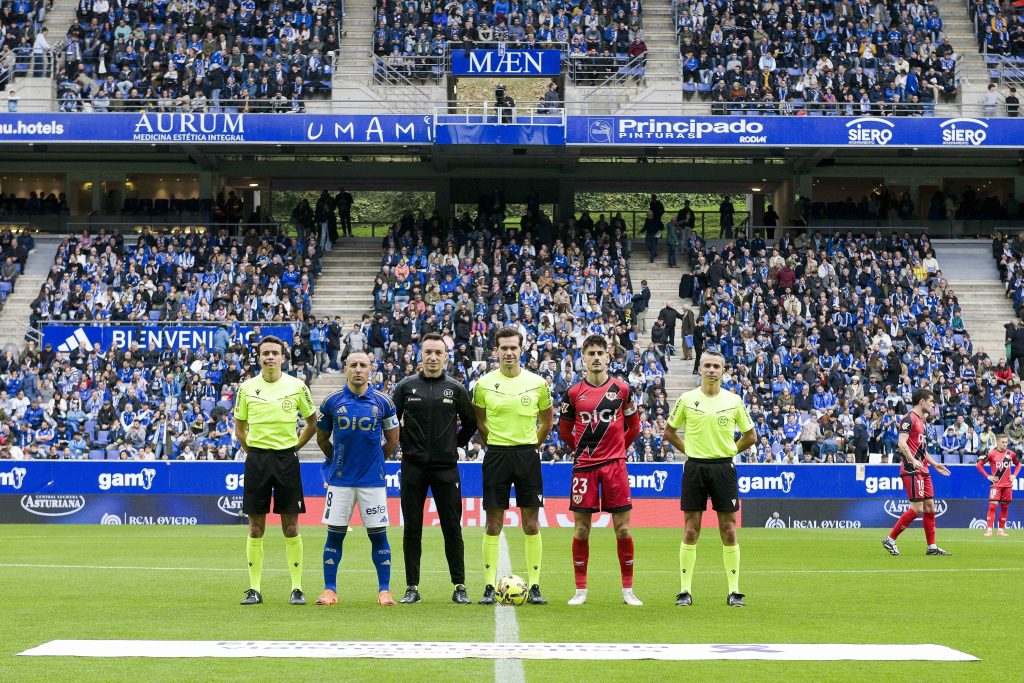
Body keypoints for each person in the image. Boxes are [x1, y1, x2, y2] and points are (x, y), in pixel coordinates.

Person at [663, 349, 756, 607]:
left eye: (716, 366)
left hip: (723, 468)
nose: (712, 370)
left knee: (729, 530)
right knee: (690, 530)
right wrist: (689, 450)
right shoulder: (686, 399)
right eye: (707, 366)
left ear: (723, 371)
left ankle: (734, 591)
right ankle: (684, 591)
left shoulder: (734, 400)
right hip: (695, 467)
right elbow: (669, 432)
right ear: (700, 369)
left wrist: (730, 451)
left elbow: (751, 436)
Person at [391, 333, 477, 604]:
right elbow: (391, 421)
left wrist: (455, 444)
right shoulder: (406, 387)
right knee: (412, 528)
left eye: (438, 353)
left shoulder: (456, 388)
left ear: (445, 356)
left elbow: (470, 423)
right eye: (428, 352)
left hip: (446, 469)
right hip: (412, 467)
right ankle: (412, 587)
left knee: (452, 528)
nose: (432, 357)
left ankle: (459, 586)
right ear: (421, 355)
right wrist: (404, 443)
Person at [233, 335, 318, 606]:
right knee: (255, 528)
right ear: (259, 357)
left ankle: (297, 588)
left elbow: (312, 422)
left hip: (286, 460)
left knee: (291, 527)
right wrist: (253, 451)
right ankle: (254, 589)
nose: (270, 357)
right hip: (257, 460)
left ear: (283, 357)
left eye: (274, 353)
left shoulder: (297, 386)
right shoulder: (247, 388)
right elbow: (239, 428)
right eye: (265, 353)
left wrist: (295, 447)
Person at [558, 335, 642, 606]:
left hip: (615, 466)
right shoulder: (573, 393)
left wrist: (618, 449)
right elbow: (564, 430)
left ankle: (628, 590)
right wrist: (582, 450)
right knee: (582, 529)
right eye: (591, 353)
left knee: (623, 530)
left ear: (608, 357)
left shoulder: (622, 389)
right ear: (583, 358)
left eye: (600, 353)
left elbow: (635, 427)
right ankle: (580, 590)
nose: (596, 357)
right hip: (584, 468)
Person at [473, 326, 554, 605]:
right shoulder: (483, 385)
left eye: (513, 348)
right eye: (504, 348)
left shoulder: (538, 383)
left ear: (522, 350)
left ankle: (535, 586)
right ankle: (488, 586)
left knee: (531, 524)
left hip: (527, 456)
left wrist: (532, 445)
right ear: (496, 351)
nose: (509, 352)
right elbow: (480, 421)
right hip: (496, 456)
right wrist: (495, 443)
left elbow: (547, 421)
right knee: (493, 524)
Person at [314, 350, 400, 606]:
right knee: (334, 536)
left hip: (372, 482)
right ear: (345, 369)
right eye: (353, 365)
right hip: (340, 481)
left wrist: (374, 462)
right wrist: (337, 461)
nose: (358, 369)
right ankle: (329, 590)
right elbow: (322, 438)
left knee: (378, 535)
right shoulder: (331, 401)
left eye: (363, 365)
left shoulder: (384, 402)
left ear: (371, 369)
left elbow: (393, 440)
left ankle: (384, 590)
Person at [883, 388, 952, 557]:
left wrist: (935, 465)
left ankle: (932, 546)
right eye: (931, 402)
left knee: (930, 506)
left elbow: (921, 450)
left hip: (923, 468)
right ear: (922, 401)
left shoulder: (922, 421)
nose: (933, 405)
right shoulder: (909, 418)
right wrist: (913, 461)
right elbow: (901, 443)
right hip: (911, 468)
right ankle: (890, 539)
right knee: (916, 508)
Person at [976, 433, 1020, 536]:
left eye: (1006, 442)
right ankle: (989, 530)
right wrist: (988, 476)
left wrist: (1014, 475)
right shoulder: (991, 454)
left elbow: (1018, 464)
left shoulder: (1011, 454)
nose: (1005, 444)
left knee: (1005, 507)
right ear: (998, 442)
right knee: (992, 506)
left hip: (1007, 485)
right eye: (1003, 442)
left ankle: (1001, 531)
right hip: (996, 485)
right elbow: (979, 465)